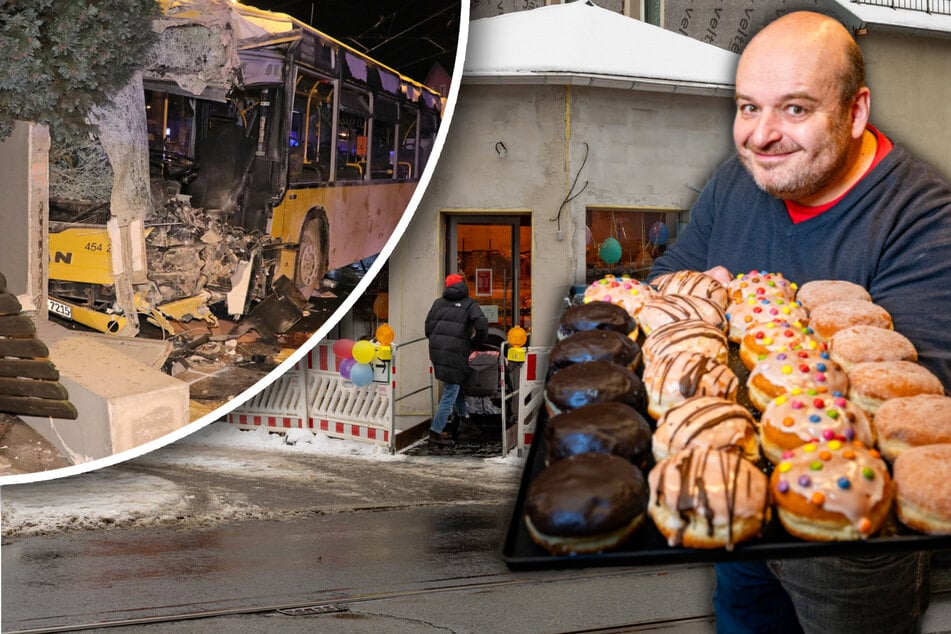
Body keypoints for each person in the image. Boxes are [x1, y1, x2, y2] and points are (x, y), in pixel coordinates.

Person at [649, 11, 951, 634]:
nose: (761, 135)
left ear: (855, 112)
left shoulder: (922, 216)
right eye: (747, 107)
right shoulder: (736, 183)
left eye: (794, 109)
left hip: (847, 536)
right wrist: (698, 299)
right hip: (743, 500)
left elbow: (916, 399)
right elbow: (669, 276)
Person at [424, 273, 489, 446]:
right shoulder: (469, 304)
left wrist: (438, 342)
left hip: (438, 351)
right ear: (463, 285)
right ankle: (435, 433)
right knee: (450, 392)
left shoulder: (438, 303)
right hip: (456, 351)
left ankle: (465, 421)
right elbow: (482, 325)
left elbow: (427, 328)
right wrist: (475, 343)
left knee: (455, 385)